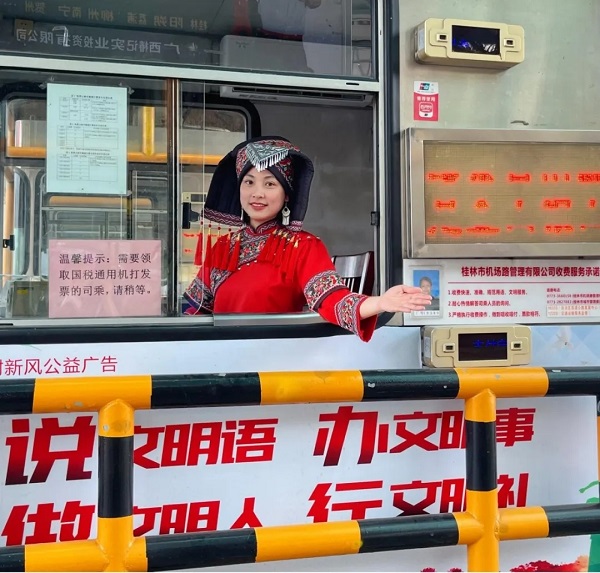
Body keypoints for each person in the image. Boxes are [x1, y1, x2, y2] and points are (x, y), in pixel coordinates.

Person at [183, 136, 431, 342]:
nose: (257, 193)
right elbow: (198, 310)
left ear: (286, 195)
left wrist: (381, 303)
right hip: (220, 357)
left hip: (273, 360)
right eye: (249, 182)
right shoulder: (223, 246)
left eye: (270, 184)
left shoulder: (303, 246)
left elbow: (332, 300)